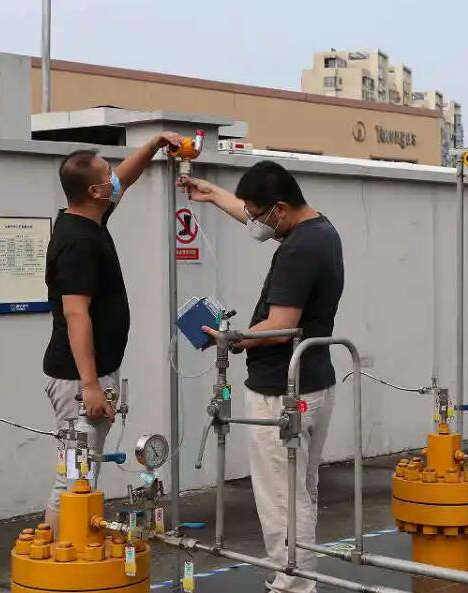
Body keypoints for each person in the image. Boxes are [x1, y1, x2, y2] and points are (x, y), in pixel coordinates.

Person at [179, 161, 345, 593]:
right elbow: (256, 216)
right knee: (300, 492)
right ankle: (301, 579)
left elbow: (281, 326)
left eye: (258, 214)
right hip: (315, 382)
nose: (253, 222)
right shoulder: (321, 231)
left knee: (282, 501)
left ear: (280, 208)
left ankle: (293, 586)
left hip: (280, 391)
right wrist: (212, 194)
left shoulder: (296, 251)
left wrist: (231, 339)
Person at [42, 132, 181, 530]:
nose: (114, 180)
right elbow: (75, 314)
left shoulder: (89, 218)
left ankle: (71, 548)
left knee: (82, 475)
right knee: (74, 478)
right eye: (107, 176)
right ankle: (62, 553)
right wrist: (90, 386)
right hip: (79, 380)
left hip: (93, 373)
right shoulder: (78, 242)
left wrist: (154, 145)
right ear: (93, 191)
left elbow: (126, 179)